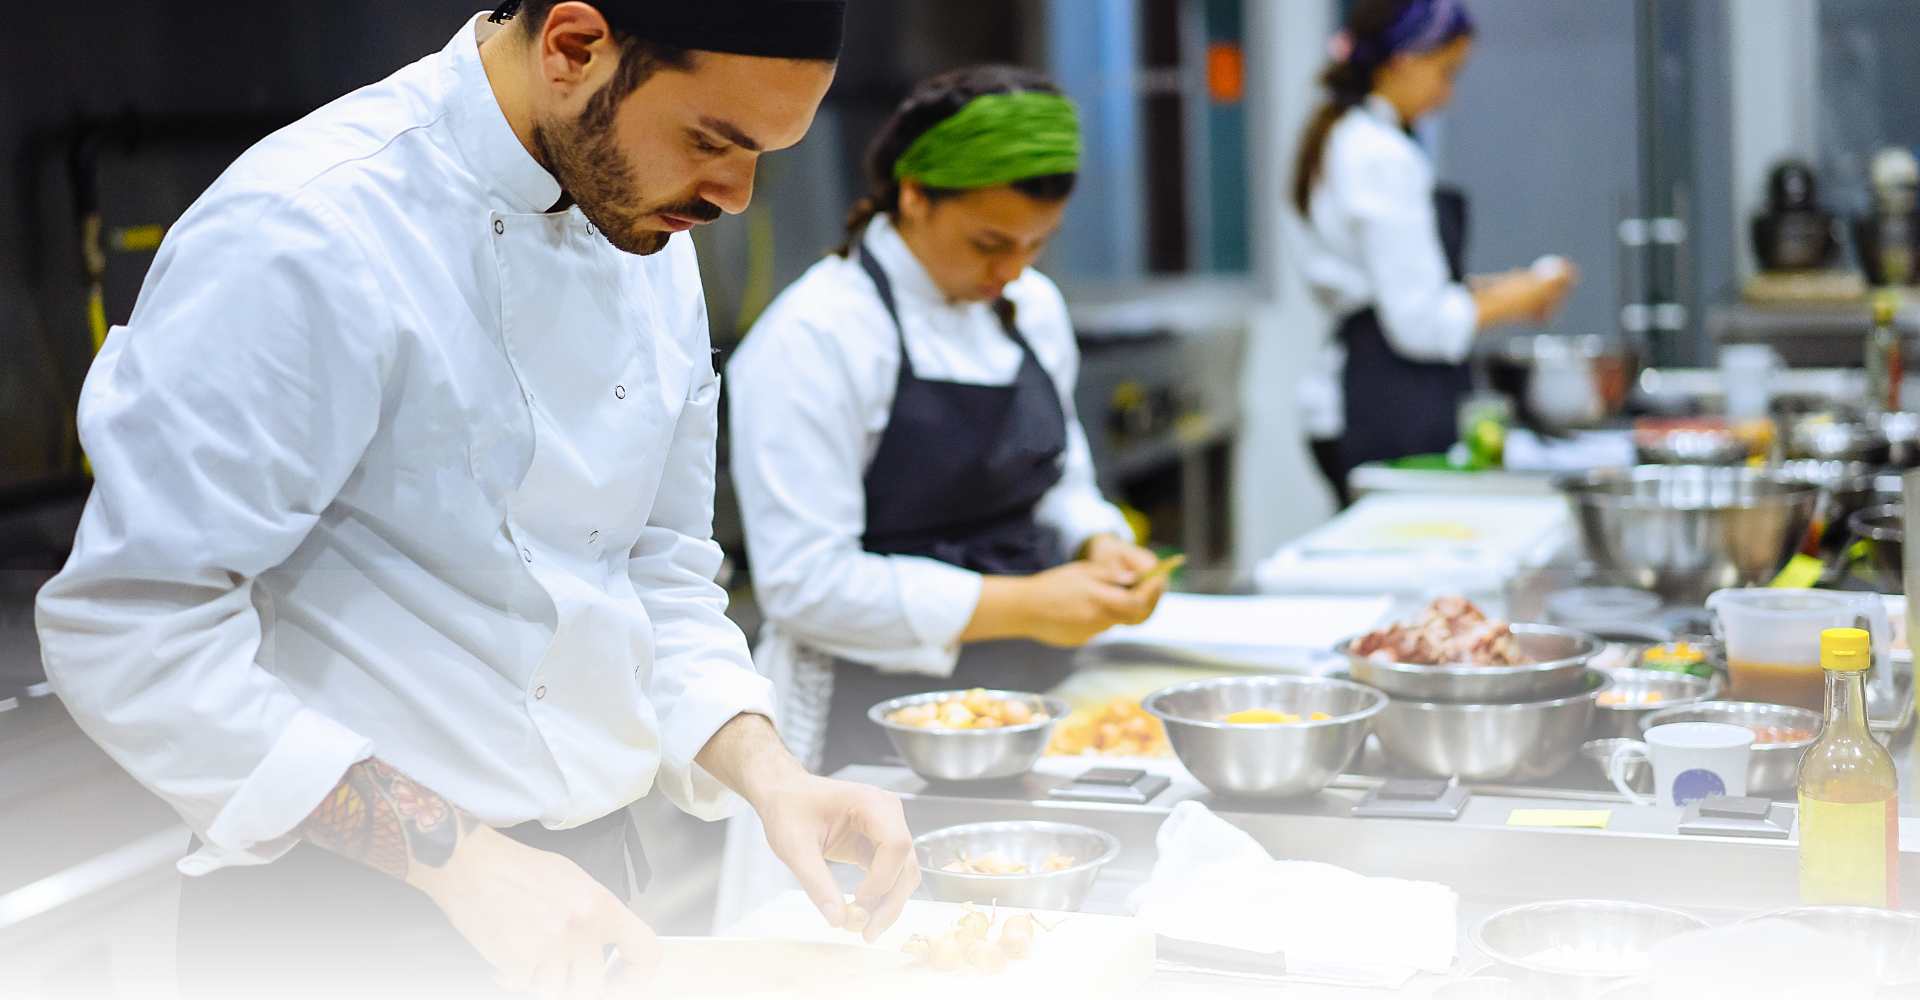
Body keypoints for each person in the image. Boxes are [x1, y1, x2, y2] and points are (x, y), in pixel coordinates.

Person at [33, 3, 919, 998]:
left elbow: (653, 572)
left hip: (592, 892)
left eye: (766, 154)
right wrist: (461, 860)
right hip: (341, 920)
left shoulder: (639, 216)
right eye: (712, 140)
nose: (737, 195)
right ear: (574, 48)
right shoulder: (309, 227)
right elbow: (131, 626)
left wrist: (772, 775)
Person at [716, 66, 1164, 925]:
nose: (1014, 270)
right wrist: (1024, 602)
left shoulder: (1030, 308)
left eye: (1037, 244)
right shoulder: (819, 336)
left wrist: (1097, 542)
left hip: (1030, 707)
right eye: (992, 242)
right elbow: (805, 586)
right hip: (864, 729)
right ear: (914, 195)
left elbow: (1060, 474)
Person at [1291, 0, 1576, 505]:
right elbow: (1419, 323)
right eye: (1446, 73)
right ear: (1405, 60)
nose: (1447, 95)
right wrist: (1519, 297)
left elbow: (1395, 286)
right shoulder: (1379, 155)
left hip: (1368, 397)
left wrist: (1497, 291)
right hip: (1383, 407)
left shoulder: (1350, 137)